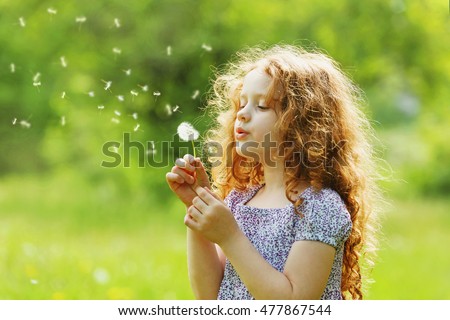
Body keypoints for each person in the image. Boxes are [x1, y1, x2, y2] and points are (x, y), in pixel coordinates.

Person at [166, 45, 381, 300]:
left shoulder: (320, 207)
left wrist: (230, 236)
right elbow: (209, 295)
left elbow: (293, 303)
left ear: (303, 123)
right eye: (242, 103)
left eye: (263, 106)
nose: (242, 114)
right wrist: (199, 203)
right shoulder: (239, 201)